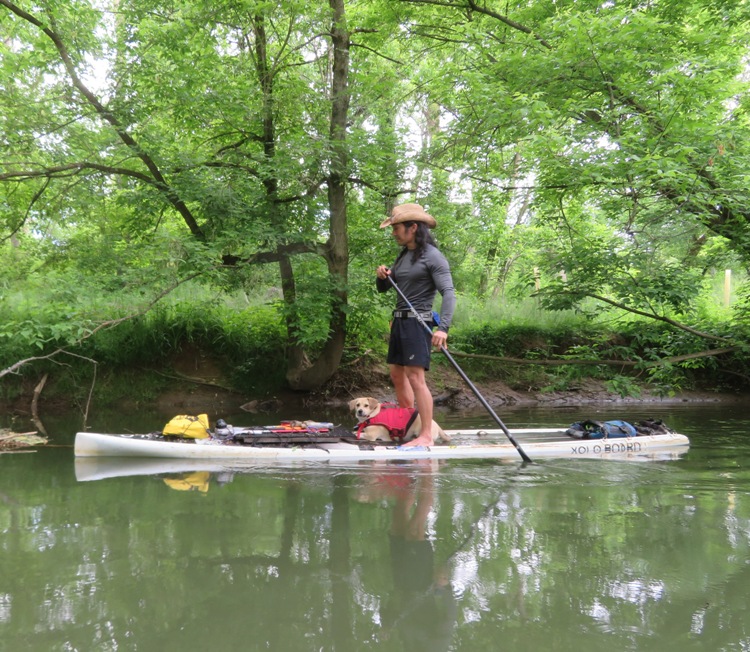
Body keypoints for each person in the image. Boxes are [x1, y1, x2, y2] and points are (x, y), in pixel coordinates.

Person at [376, 203, 456, 448]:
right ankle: (408, 425)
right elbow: (383, 289)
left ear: (413, 227)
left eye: (396, 228)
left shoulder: (433, 256)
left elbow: (449, 292)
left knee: (415, 377)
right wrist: (383, 276)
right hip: (399, 322)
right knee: (397, 375)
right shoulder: (404, 255)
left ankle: (426, 436)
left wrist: (443, 328)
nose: (393, 233)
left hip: (417, 322)